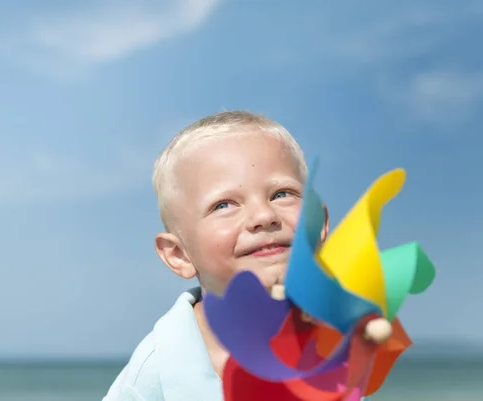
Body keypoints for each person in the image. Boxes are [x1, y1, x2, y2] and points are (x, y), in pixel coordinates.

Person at [102, 110, 331, 401]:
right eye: (223, 205)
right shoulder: (152, 379)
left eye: (282, 194)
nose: (264, 215)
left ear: (320, 224)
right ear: (179, 255)